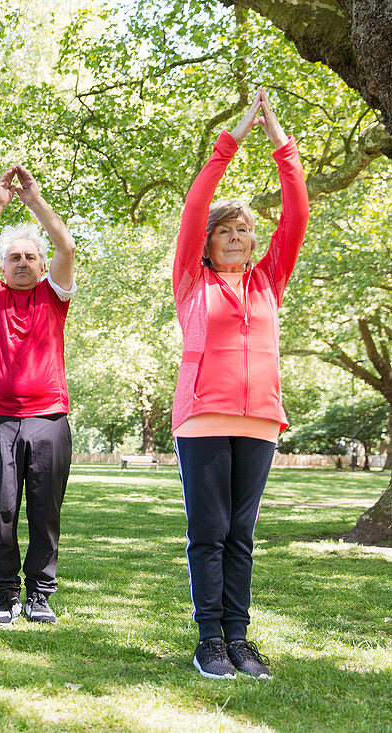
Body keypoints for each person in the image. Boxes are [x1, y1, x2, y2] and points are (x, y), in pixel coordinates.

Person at [172, 88, 308, 680]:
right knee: (211, 531)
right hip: (204, 417)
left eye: (244, 229)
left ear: (255, 243)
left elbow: (297, 212)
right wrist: (236, 135)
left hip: (260, 421)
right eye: (223, 229)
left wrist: (280, 139)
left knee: (242, 536)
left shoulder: (268, 282)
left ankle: (238, 639)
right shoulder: (191, 281)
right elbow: (196, 204)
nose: (233, 234)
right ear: (207, 242)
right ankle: (209, 641)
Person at [0, 165, 76, 626]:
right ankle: (7, 593)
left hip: (49, 417)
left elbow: (67, 246)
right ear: (4, 266)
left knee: (45, 510)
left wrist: (35, 202)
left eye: (32, 256)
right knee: (3, 508)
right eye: (15, 257)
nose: (24, 262)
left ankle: (40, 595)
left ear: (42, 265)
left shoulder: (54, 295)